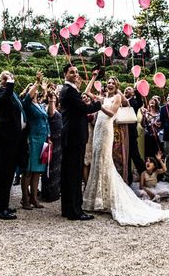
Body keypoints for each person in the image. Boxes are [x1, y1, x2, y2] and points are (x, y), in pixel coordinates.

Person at [83, 76, 169, 226]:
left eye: (113, 83)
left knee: (104, 161)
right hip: (98, 131)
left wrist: (100, 106)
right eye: (109, 83)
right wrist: (93, 78)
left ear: (117, 85)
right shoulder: (103, 97)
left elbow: (112, 113)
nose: (110, 84)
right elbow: (87, 92)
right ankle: (97, 198)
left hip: (106, 129)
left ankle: (108, 198)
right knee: (97, 160)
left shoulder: (118, 97)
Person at [60, 64, 102, 221]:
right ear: (65, 74)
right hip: (74, 137)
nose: (75, 74)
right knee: (74, 174)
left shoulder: (68, 90)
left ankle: (67, 208)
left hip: (70, 136)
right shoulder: (69, 91)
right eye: (72, 72)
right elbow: (84, 109)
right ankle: (75, 211)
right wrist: (99, 103)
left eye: (76, 72)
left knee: (68, 174)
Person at [0, 70, 29, 220]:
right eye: (5, 78)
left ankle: (1, 204)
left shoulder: (13, 94)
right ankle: (0, 209)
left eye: (10, 77)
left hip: (15, 138)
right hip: (6, 139)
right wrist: (9, 84)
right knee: (5, 174)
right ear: (1, 80)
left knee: (9, 174)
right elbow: (4, 100)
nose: (8, 80)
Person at [20, 72, 52, 210]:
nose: (36, 92)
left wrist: (49, 136)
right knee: (28, 170)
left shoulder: (38, 105)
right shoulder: (26, 104)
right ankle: (25, 199)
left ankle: (33, 197)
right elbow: (28, 96)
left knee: (37, 171)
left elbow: (46, 119)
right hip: (32, 139)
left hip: (42, 139)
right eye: (33, 90)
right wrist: (37, 82)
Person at [40, 91, 62, 203]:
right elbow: (51, 113)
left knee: (56, 169)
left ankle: (54, 192)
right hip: (53, 142)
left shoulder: (58, 110)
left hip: (59, 142)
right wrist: (51, 99)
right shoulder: (51, 109)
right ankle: (50, 193)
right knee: (51, 168)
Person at [124, 86, 146, 184]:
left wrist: (137, 90)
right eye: (126, 89)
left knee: (135, 154)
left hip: (131, 132)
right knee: (126, 156)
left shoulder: (134, 102)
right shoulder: (120, 99)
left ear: (133, 93)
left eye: (129, 89)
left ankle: (143, 173)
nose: (126, 90)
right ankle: (128, 178)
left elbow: (140, 103)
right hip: (121, 132)